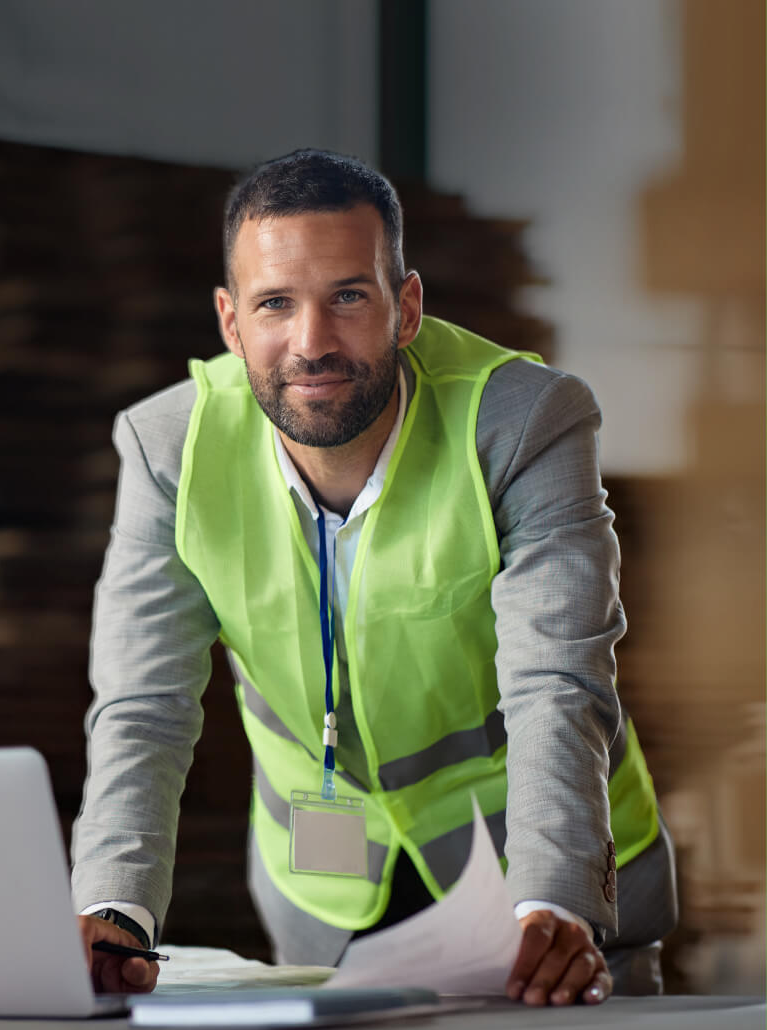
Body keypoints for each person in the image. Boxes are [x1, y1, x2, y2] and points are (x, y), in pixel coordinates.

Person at [72, 150, 677, 1005]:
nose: (311, 342)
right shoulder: (168, 449)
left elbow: (557, 679)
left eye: (349, 296)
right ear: (230, 322)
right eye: (275, 303)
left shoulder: (523, 422)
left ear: (407, 309)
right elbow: (143, 704)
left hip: (538, 891)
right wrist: (114, 909)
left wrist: (554, 902)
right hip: (327, 904)